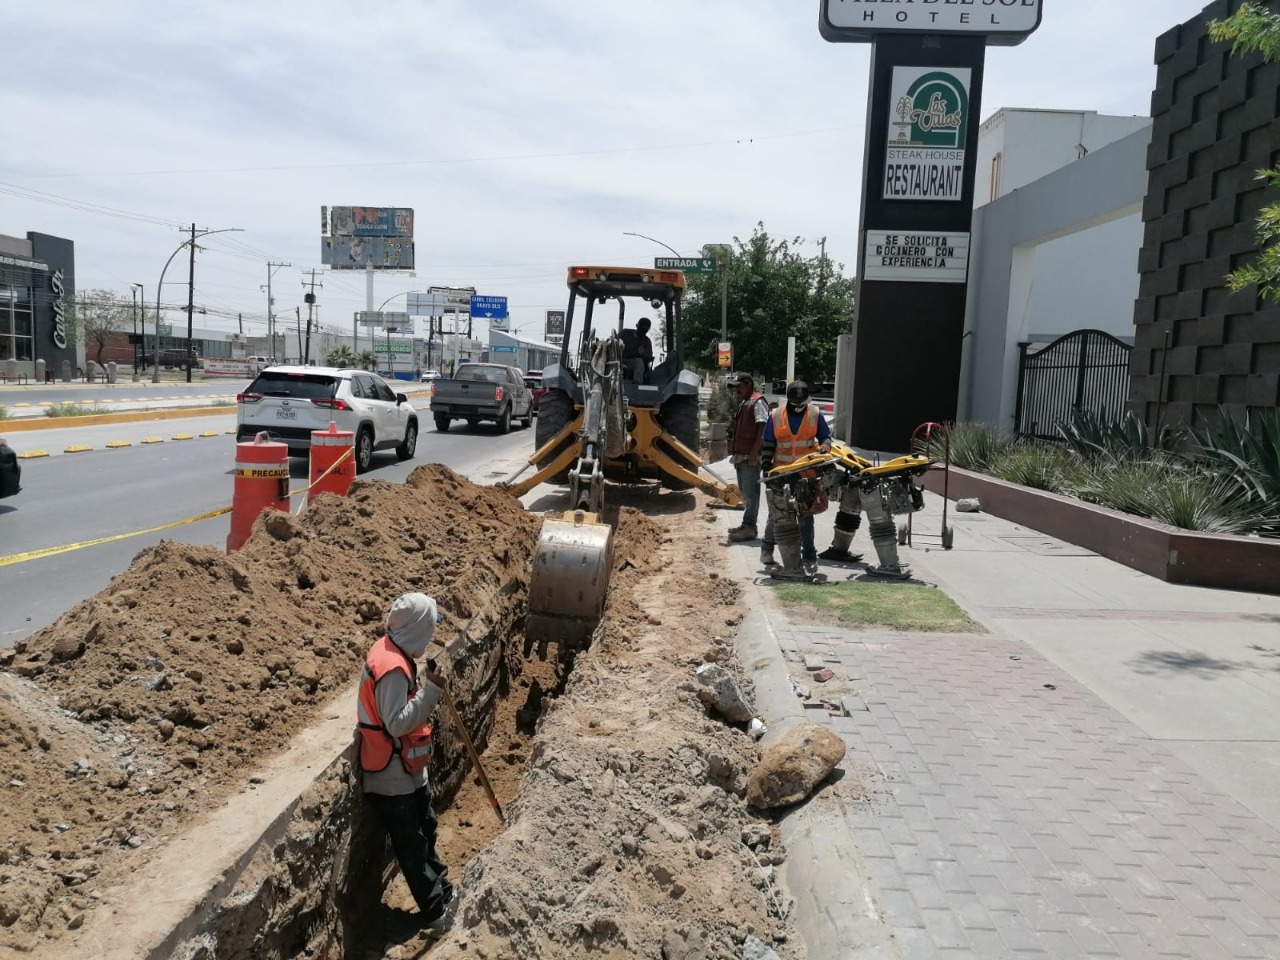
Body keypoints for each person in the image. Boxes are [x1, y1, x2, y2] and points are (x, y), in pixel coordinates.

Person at [357, 592, 456, 934]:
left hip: (407, 768)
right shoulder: (392, 668)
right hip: (390, 773)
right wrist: (432, 691)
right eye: (429, 629)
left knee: (426, 830)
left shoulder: (396, 651)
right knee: (412, 845)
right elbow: (396, 723)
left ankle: (444, 893)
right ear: (417, 629)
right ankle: (435, 913)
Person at [759, 381, 832, 578]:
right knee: (777, 515)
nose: (799, 406)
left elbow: (825, 437)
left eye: (802, 402)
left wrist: (826, 446)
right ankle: (767, 550)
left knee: (806, 517)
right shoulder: (776, 415)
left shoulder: (815, 414)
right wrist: (766, 467)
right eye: (795, 402)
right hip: (781, 473)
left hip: (805, 475)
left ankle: (809, 558)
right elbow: (768, 443)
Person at [726, 372, 770, 543]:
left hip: (750, 457)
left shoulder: (757, 402)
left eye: (739, 386)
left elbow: (763, 427)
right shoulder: (745, 402)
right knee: (746, 493)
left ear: (749, 384)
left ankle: (749, 528)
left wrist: (754, 452)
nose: (737, 390)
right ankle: (747, 524)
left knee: (751, 495)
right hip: (741, 456)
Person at [621, 317, 655, 382]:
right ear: (637, 326)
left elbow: (649, 357)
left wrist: (643, 353)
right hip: (619, 360)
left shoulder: (646, 341)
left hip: (632, 362)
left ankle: (637, 384)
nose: (643, 332)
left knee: (639, 362)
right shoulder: (625, 333)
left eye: (645, 330)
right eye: (641, 328)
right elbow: (614, 342)